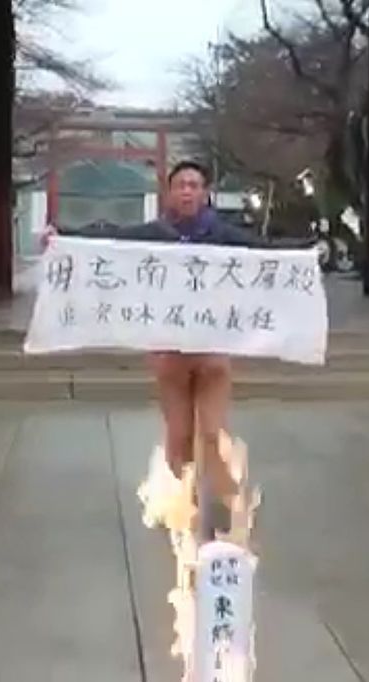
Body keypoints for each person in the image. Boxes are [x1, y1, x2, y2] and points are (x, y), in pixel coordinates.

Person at [39, 161, 260, 529]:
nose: (188, 191)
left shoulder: (224, 235)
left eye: (194, 185)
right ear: (170, 192)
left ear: (205, 192)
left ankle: (221, 501)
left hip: (212, 350)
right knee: (178, 433)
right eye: (181, 185)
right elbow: (107, 238)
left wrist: (307, 249)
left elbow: (267, 250)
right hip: (168, 350)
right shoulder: (153, 234)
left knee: (212, 432)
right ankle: (183, 502)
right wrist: (62, 235)